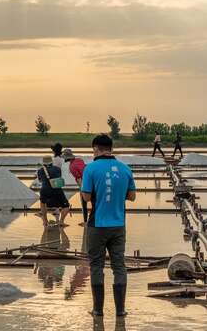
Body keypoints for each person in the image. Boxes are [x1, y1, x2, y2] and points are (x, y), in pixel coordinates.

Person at [81, 134, 136, 318]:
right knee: (119, 265)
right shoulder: (125, 169)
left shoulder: (91, 169)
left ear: (96, 148)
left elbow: (86, 196)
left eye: (93, 149)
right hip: (118, 225)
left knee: (96, 265)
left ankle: (98, 310)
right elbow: (132, 196)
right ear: (111, 148)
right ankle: (120, 310)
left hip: (97, 225)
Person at [37, 155, 70, 228]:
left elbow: (40, 180)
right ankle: (61, 221)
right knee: (66, 206)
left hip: (44, 190)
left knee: (43, 203)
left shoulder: (40, 170)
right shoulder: (57, 169)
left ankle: (45, 221)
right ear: (52, 162)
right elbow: (59, 178)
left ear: (43, 163)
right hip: (57, 189)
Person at [63, 148, 87, 225]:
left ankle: (86, 221)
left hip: (85, 183)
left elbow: (79, 179)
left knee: (84, 203)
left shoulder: (72, 167)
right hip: (91, 179)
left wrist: (82, 190)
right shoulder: (79, 160)